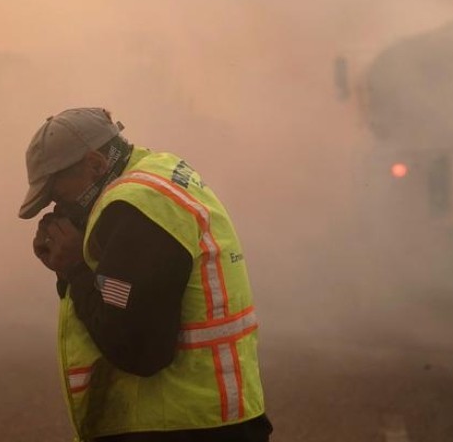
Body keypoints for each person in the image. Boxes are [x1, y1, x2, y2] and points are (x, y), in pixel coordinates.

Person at [18, 107, 272, 442]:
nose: (58, 209)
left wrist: (75, 268)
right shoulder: (158, 173)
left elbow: (137, 348)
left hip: (178, 424)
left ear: (95, 164)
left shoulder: (134, 209)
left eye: (58, 194)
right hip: (213, 417)